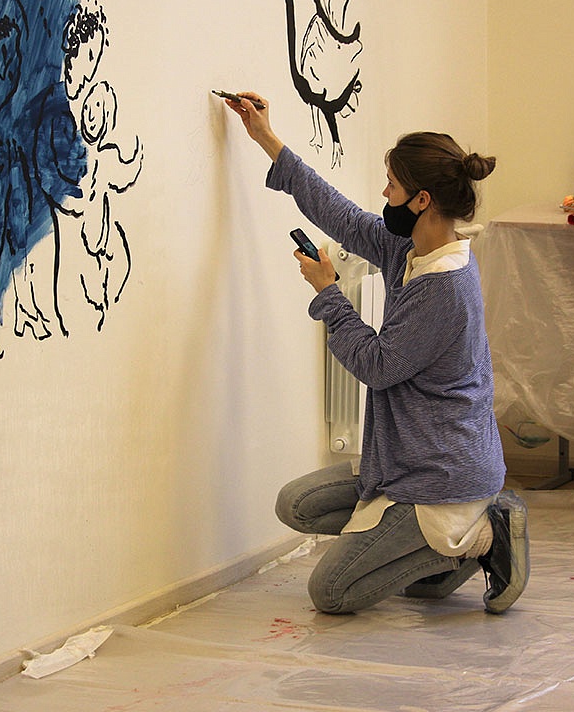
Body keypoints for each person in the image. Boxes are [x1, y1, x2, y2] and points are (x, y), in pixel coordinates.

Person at [223, 91, 529, 615]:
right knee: (297, 505)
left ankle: (483, 533)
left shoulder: (444, 286)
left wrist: (328, 293)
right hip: (402, 461)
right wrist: (266, 138)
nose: (383, 193)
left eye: (392, 184)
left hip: (441, 475)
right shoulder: (411, 249)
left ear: (422, 200)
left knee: (331, 593)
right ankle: (443, 552)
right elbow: (340, 216)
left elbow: (377, 366)